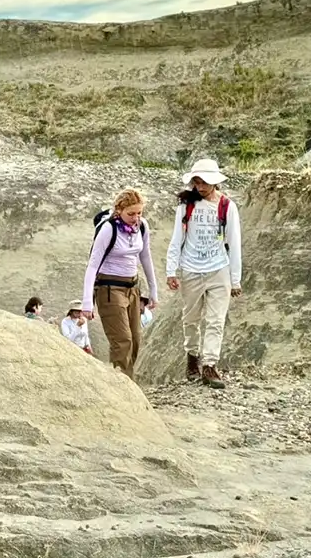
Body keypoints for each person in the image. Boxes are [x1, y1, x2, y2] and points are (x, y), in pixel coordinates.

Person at [165, 158, 243, 389]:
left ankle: (209, 365)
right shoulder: (186, 205)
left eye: (204, 182)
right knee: (190, 319)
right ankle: (192, 356)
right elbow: (177, 238)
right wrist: (171, 270)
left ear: (215, 182)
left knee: (216, 320)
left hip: (219, 268)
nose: (200, 186)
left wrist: (235, 279)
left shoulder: (227, 206)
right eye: (196, 182)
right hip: (191, 268)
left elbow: (234, 243)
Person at [81, 188, 158, 380]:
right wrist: (86, 303)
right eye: (130, 213)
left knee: (135, 339)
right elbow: (92, 265)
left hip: (132, 287)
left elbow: (146, 257)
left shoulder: (142, 227)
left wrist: (153, 290)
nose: (135, 218)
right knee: (122, 340)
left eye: (139, 213)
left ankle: (126, 381)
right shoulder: (109, 229)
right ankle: (123, 383)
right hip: (109, 288)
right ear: (119, 210)